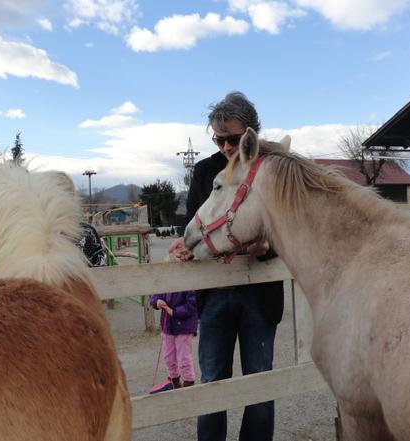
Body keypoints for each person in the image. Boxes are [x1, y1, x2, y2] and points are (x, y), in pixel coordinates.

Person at [170, 91, 284, 441]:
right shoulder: (206, 171)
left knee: (259, 383)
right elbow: (192, 224)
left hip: (259, 294)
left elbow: (284, 230)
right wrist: (183, 246)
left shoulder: (272, 171)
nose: (225, 147)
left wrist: (266, 248)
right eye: (219, 139)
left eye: (232, 139)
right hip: (215, 294)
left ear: (250, 134)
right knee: (211, 384)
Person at [148, 288, 198, 393]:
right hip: (167, 327)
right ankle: (174, 382)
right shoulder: (165, 281)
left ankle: (188, 384)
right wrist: (157, 302)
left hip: (184, 327)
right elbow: (155, 296)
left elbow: (192, 304)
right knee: (169, 357)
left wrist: (174, 312)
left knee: (183, 358)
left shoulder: (188, 285)